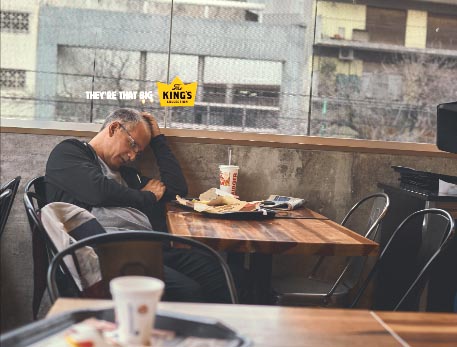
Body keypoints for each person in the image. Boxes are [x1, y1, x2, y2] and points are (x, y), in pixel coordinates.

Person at [44, 108, 231, 303]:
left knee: (212, 268)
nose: (133, 156)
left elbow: (176, 189)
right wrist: (148, 197)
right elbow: (99, 191)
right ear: (114, 128)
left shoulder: (125, 174)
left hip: (144, 246)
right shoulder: (69, 153)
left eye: (138, 152)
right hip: (105, 253)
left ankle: (226, 331)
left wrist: (158, 141)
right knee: (187, 290)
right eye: (132, 145)